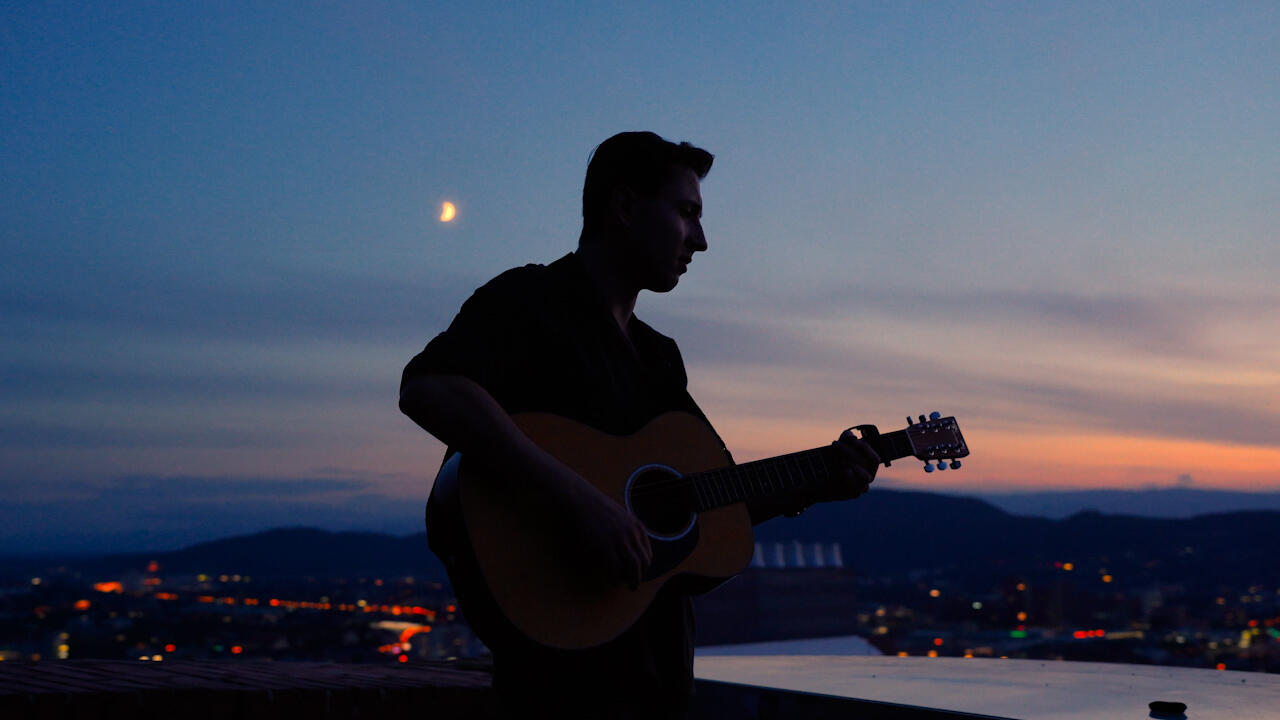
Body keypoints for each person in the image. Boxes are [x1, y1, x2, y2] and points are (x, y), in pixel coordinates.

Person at [399, 131, 880, 719]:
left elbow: (705, 498)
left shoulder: (658, 356)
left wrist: (823, 477)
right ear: (625, 207)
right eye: (686, 213)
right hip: (560, 681)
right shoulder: (532, 300)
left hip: (657, 677)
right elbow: (430, 388)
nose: (701, 240)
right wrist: (580, 500)